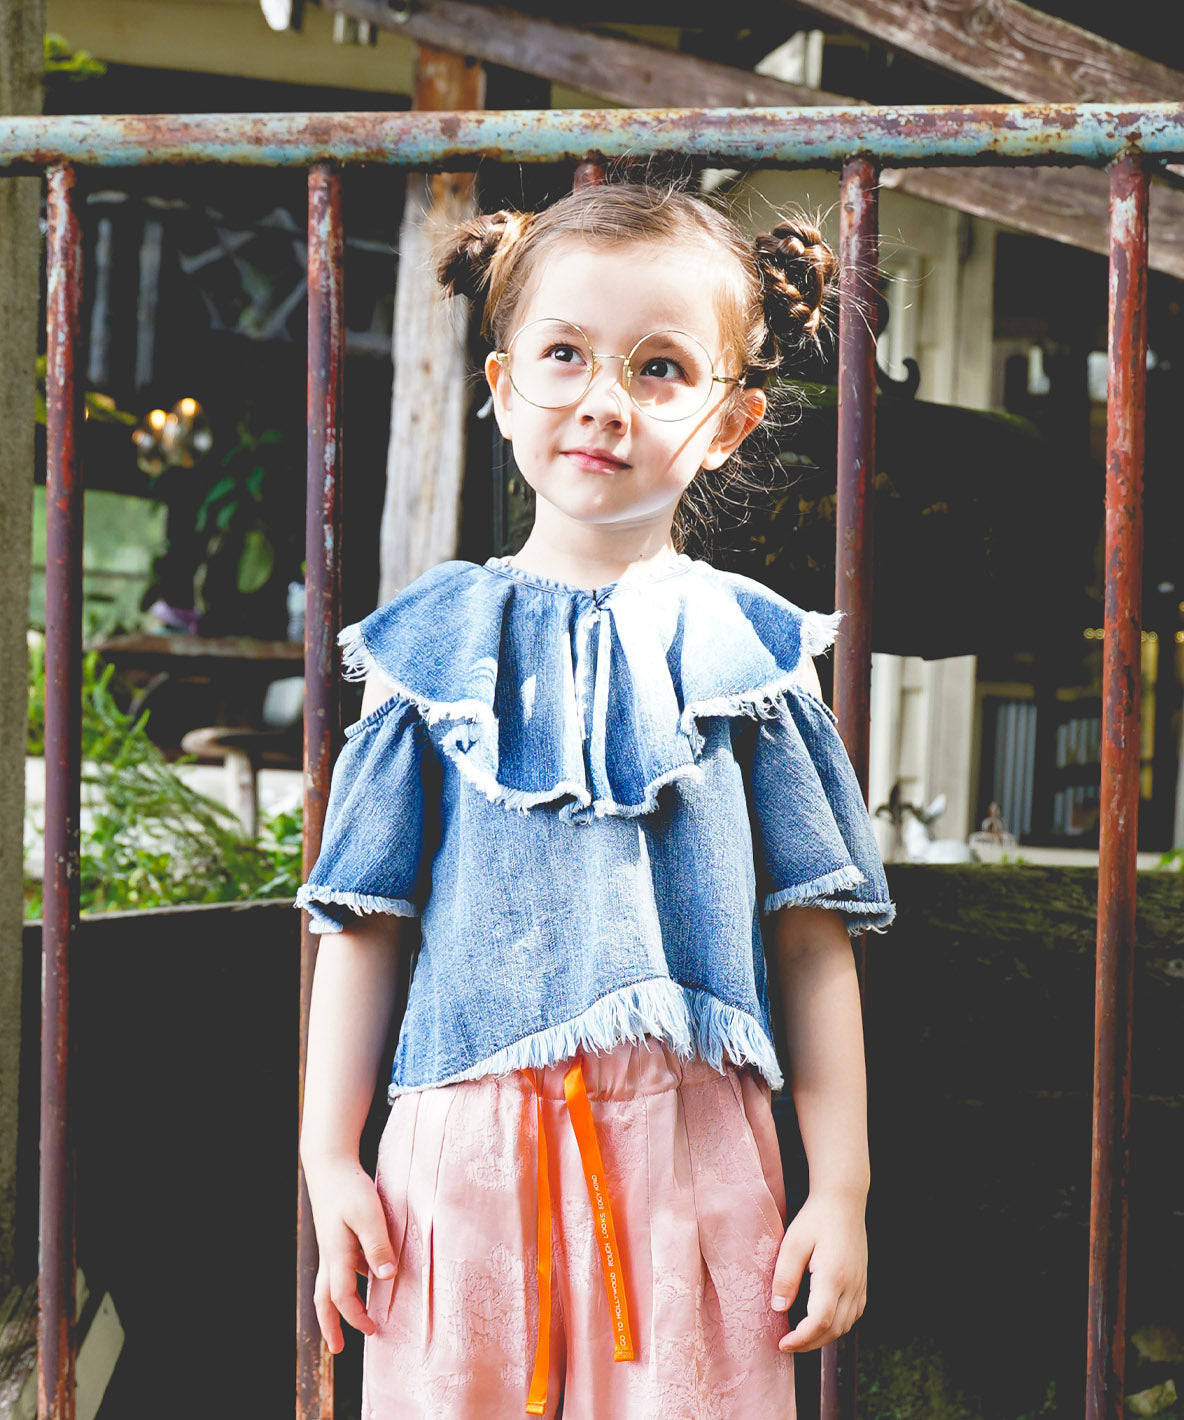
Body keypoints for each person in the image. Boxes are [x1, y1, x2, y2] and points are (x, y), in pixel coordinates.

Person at [297, 180, 895, 1420]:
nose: (604, 400)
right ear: (502, 382)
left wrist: (839, 1188)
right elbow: (363, 927)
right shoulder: (430, 647)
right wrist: (327, 1157)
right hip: (455, 1168)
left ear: (729, 423)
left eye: (659, 367)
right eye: (564, 354)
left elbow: (808, 940)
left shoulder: (753, 654)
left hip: (692, 1156)